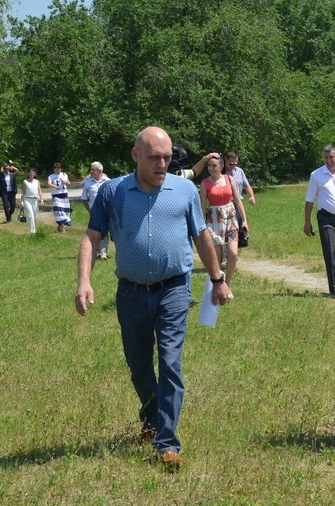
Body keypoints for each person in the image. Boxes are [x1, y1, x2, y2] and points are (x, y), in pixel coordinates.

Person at [75, 126, 232, 470]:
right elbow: (91, 237)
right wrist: (84, 281)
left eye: (167, 158)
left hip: (174, 290)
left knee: (170, 364)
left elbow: (202, 236)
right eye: (154, 158)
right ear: (135, 156)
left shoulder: (185, 190)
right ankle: (150, 419)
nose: (162, 165)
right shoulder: (112, 192)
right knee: (139, 366)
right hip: (130, 293)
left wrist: (218, 279)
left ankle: (167, 442)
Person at [303, 145, 335, 299]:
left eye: (331, 157)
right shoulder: (317, 175)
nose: (328, 160)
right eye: (326, 157)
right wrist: (307, 222)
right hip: (326, 218)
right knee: (331, 251)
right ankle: (334, 289)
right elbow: (309, 200)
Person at [200, 155, 248, 287]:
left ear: (221, 166)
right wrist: (201, 226)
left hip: (230, 219)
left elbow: (237, 200)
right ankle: (218, 285)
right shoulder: (205, 183)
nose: (211, 168)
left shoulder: (229, 179)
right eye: (209, 166)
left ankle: (227, 284)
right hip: (213, 221)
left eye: (214, 165)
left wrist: (244, 220)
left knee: (233, 254)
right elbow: (202, 206)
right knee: (217, 259)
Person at [81, 162, 111, 260]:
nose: (91, 171)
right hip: (94, 211)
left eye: (93, 169)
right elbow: (84, 198)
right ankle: (98, 251)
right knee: (96, 231)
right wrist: (89, 210)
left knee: (105, 231)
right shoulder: (88, 183)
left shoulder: (108, 182)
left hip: (107, 210)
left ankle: (103, 252)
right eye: (91, 169)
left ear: (99, 170)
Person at [48, 163, 72, 232]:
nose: (58, 170)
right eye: (56, 169)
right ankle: (61, 227)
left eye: (59, 169)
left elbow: (69, 183)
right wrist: (55, 187)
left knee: (64, 210)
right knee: (59, 210)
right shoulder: (51, 176)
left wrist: (65, 182)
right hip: (56, 194)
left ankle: (61, 225)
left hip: (64, 194)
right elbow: (49, 183)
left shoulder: (64, 175)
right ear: (54, 169)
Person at [19, 168, 44, 234]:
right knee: (30, 215)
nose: (31, 174)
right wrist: (22, 202)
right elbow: (23, 193)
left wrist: (41, 200)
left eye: (33, 173)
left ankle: (34, 228)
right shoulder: (25, 181)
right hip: (27, 199)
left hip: (35, 200)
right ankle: (32, 231)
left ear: (35, 174)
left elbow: (40, 191)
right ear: (28, 173)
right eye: (30, 172)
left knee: (35, 216)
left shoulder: (37, 181)